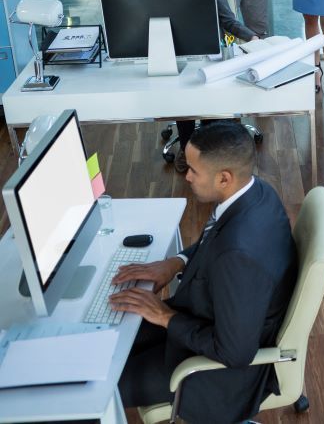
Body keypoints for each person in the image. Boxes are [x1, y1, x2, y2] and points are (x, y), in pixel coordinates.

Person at [111, 122, 298, 423]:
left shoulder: (238, 256)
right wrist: (176, 262)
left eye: (193, 171)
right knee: (111, 337)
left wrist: (164, 316)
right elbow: (216, 240)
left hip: (212, 372)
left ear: (224, 178)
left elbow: (235, 353)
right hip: (204, 316)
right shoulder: (257, 192)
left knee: (100, 386)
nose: (186, 176)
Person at [163, 0, 257, 173]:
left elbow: (227, 19)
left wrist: (251, 37)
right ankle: (185, 148)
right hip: (174, 54)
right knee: (180, 96)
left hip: (208, 52)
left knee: (207, 105)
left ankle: (206, 150)